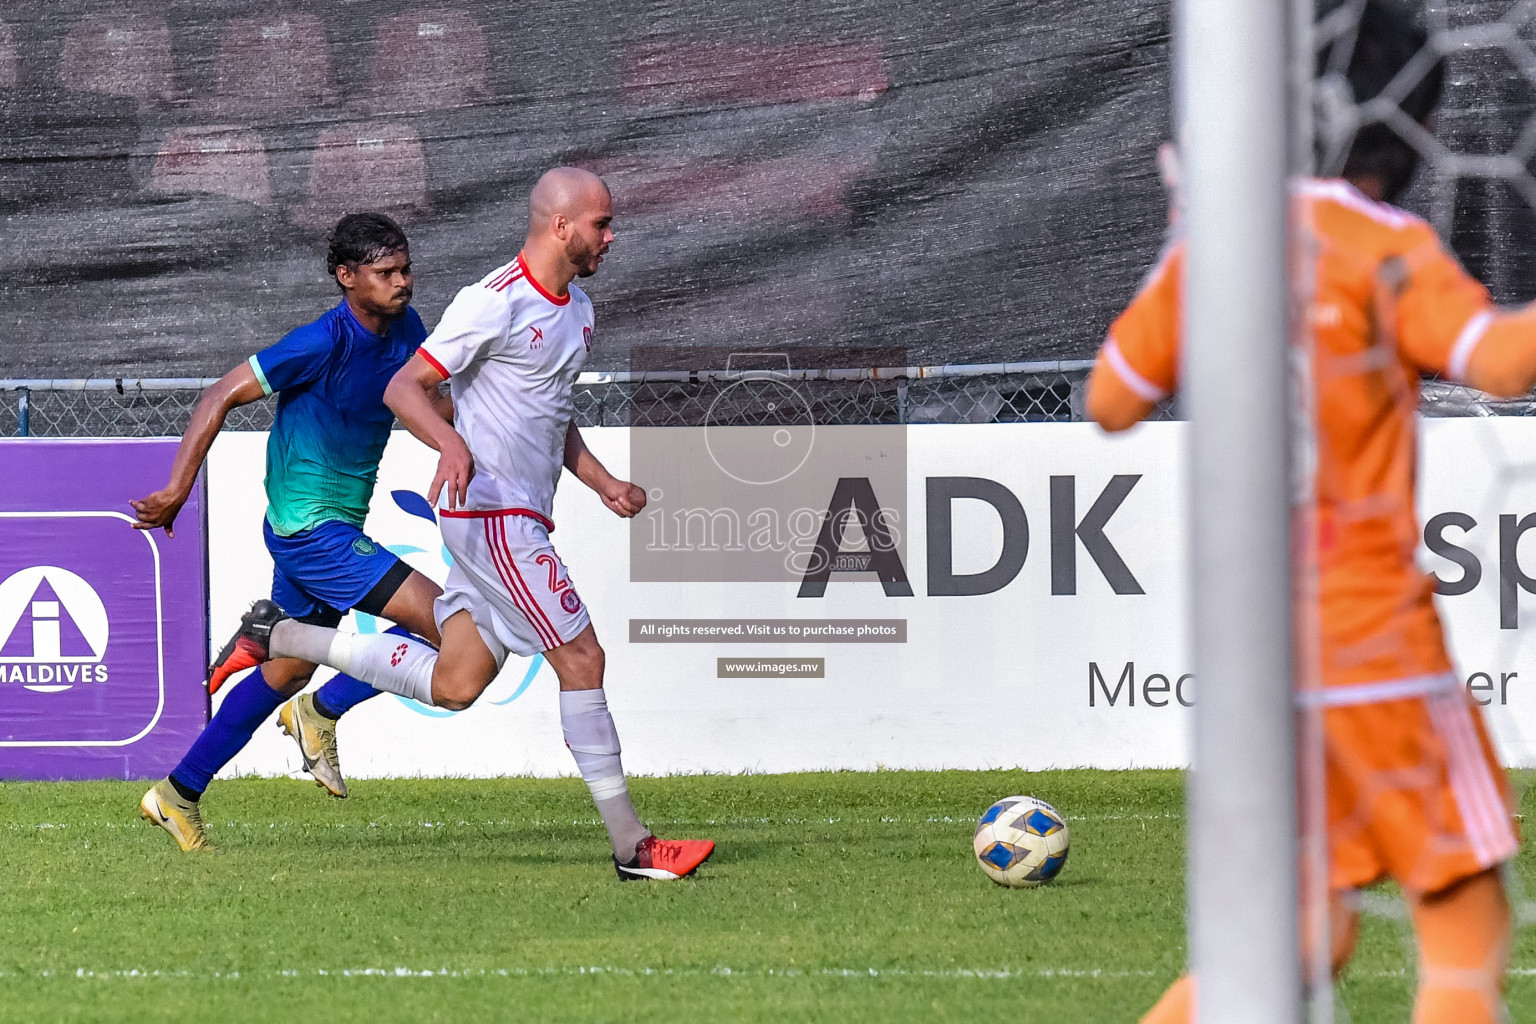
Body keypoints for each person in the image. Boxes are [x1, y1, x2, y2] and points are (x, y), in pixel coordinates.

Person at [1091, 4, 1526, 1021]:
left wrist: (1183, 250)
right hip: (1377, 635)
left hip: (1253, 658)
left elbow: (1111, 399)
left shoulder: (1215, 247)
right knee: (1462, 911)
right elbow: (1501, 363)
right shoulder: (1382, 245)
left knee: (1293, 934)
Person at [209, 167, 716, 881]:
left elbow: (549, 414)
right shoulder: (492, 302)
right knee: (581, 659)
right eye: (601, 223)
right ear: (561, 226)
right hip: (495, 518)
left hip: (514, 514)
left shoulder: (577, 310)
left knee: (455, 682)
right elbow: (402, 386)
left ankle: (281, 635)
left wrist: (601, 483)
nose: (611, 234)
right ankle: (634, 847)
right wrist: (450, 443)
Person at [134, 213, 446, 851]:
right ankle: (320, 707)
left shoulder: (408, 327)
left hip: (325, 530)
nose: (402, 282)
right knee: (448, 624)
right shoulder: (319, 341)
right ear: (346, 276)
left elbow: (427, 399)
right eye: (386, 273)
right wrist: (175, 491)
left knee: (285, 673)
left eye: (406, 269)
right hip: (313, 532)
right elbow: (218, 394)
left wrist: (458, 437)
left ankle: (176, 792)